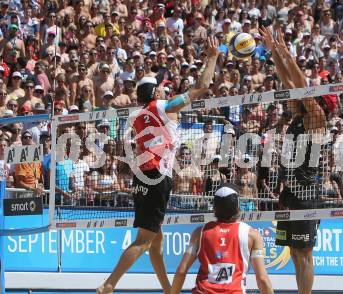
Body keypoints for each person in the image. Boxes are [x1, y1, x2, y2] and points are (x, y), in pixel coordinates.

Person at [97, 37, 219, 294]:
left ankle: (168, 290)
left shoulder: (139, 115)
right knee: (143, 241)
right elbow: (204, 85)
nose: (165, 90)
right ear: (154, 93)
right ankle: (109, 284)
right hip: (157, 177)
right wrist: (213, 56)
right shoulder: (163, 107)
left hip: (141, 178)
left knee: (156, 241)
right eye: (161, 88)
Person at [260, 27, 326, 294]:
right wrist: (274, 51)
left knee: (305, 252)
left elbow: (300, 85)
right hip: (290, 192)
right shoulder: (298, 117)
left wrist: (287, 52)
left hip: (307, 194)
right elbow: (288, 83)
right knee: (295, 253)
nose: (290, 99)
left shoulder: (315, 118)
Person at [171, 183, 274, 294]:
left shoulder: (199, 233)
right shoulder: (252, 235)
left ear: (214, 208)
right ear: (238, 207)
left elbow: (181, 271)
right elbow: (262, 279)